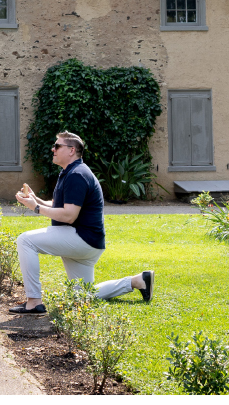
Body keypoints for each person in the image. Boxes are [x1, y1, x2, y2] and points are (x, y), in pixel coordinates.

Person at [11, 132, 154, 314]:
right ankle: (137, 281)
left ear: (72, 150)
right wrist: (36, 200)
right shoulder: (71, 172)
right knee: (83, 296)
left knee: (25, 240)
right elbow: (60, 206)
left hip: (81, 238)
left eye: (57, 146)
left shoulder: (77, 174)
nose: (53, 149)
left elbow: (69, 215)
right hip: (88, 241)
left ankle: (34, 301)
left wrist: (36, 208)